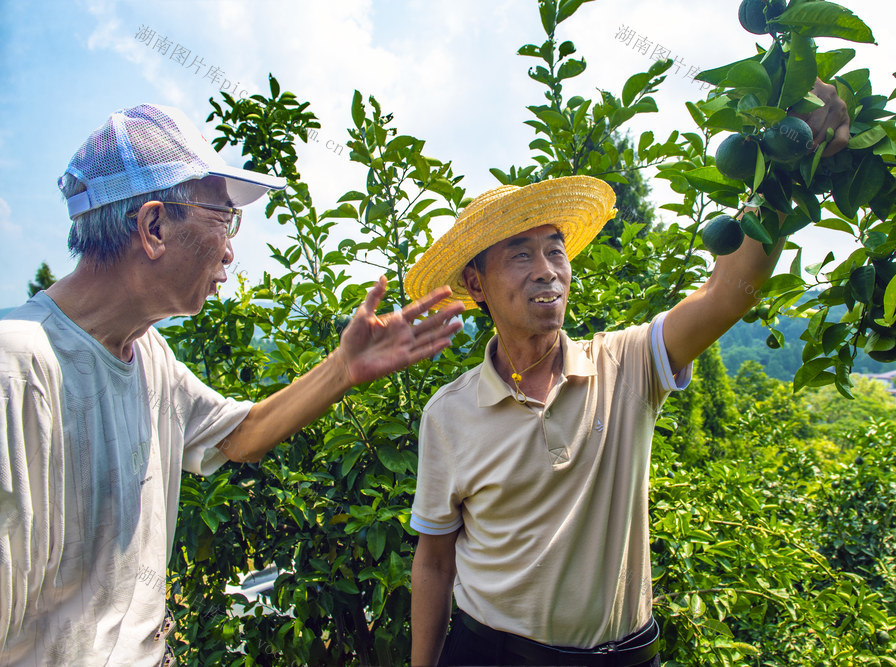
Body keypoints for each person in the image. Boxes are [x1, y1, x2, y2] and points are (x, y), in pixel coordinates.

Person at [0, 103, 464, 666]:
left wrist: (343, 368)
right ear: (153, 228)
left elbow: (238, 436)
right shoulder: (16, 372)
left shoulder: (148, 354)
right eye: (223, 219)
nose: (229, 251)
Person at [405, 81, 849, 666]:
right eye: (519, 254)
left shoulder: (626, 364)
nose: (547, 270)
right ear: (476, 284)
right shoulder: (449, 414)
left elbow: (727, 294)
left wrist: (781, 171)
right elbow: (435, 562)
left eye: (555, 250)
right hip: (490, 653)